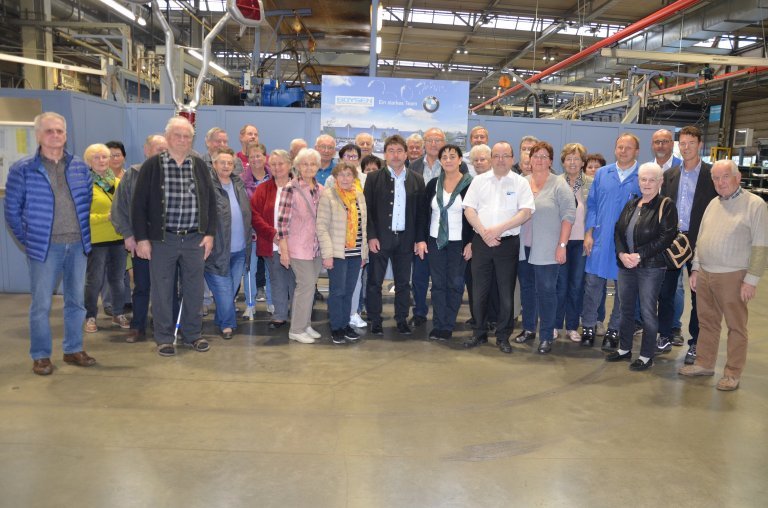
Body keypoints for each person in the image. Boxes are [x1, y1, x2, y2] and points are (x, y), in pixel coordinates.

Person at [4, 111, 96, 375]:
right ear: (38, 135)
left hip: (78, 246)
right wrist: (31, 240)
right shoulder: (23, 169)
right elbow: (12, 211)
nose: (55, 135)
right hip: (45, 249)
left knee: (76, 301)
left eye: (59, 131)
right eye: (49, 131)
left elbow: (85, 201)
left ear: (66, 135)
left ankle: (73, 349)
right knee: (42, 304)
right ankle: (41, 355)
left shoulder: (80, 166)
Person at [678, 160, 768, 390]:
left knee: (736, 326)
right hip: (706, 273)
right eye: (716, 178)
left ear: (737, 177)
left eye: (725, 177)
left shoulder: (754, 205)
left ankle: (732, 373)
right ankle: (704, 363)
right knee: (707, 322)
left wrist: (751, 280)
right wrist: (696, 267)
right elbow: (701, 238)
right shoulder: (713, 204)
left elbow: (760, 246)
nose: (720, 182)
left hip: (734, 275)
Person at [132, 116, 217, 357]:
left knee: (194, 289)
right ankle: (164, 338)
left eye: (187, 136)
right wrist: (141, 238)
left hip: (194, 239)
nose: (182, 140)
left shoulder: (199, 165)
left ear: (192, 139)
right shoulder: (152, 166)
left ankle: (193, 334)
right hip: (162, 239)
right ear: (168, 138)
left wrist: (209, 234)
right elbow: (138, 205)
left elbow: (210, 202)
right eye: (177, 136)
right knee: (162, 290)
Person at [463, 141, 535, 354]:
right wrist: (485, 233)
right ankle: (478, 333)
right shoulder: (478, 181)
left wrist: (498, 229)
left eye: (505, 155)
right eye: (497, 155)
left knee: (505, 292)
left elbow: (526, 212)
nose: (501, 159)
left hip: (507, 244)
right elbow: (469, 209)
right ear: (492, 158)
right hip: (481, 242)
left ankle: (503, 336)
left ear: (512, 159)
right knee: (479, 290)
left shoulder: (520, 183)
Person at [607, 163, 677, 370]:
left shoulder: (666, 204)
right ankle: (624, 349)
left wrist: (640, 255)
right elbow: (618, 231)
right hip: (626, 265)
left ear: (660, 182)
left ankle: (646, 355)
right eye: (643, 179)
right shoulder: (632, 204)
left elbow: (667, 237)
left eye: (652, 179)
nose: (646, 183)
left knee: (647, 311)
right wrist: (622, 254)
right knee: (625, 309)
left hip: (651, 267)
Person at [657, 126, 717, 364]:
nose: (686, 147)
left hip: (700, 242)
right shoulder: (670, 175)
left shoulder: (711, 176)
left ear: (699, 145)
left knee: (698, 295)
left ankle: (696, 343)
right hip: (673, 242)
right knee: (666, 292)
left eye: (691, 143)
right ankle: (664, 334)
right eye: (682, 143)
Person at [581, 134, 641, 349]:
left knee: (623, 290)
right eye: (619, 147)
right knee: (592, 286)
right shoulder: (602, 174)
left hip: (627, 244)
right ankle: (588, 326)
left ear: (637, 151)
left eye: (628, 147)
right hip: (601, 238)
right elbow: (593, 205)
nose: (623, 151)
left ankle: (614, 329)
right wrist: (588, 233)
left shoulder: (641, 176)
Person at [515, 141, 575, 354]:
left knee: (547, 292)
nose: (539, 160)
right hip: (524, 248)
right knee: (527, 290)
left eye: (544, 156)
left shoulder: (559, 184)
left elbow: (569, 216)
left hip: (548, 249)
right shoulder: (521, 182)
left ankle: (547, 335)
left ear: (550, 161)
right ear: (529, 160)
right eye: (535, 156)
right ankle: (529, 329)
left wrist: (562, 245)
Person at [364, 134, 427, 336]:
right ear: (385, 154)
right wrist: (371, 236)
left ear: (406, 154)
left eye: (400, 151)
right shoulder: (373, 178)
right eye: (391, 151)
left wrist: (419, 239)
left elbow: (421, 214)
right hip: (380, 239)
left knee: (403, 283)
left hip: (406, 240)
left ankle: (401, 319)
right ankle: (375, 319)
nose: (395, 155)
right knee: (374, 282)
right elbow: (368, 211)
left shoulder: (417, 180)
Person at [111, 134, 168, 343]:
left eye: (165, 149)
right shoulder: (133, 174)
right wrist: (128, 235)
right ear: (147, 150)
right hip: (141, 241)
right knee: (142, 286)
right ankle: (138, 326)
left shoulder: (175, 174)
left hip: (167, 243)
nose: (163, 153)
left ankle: (165, 324)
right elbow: (120, 207)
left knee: (168, 287)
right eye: (158, 149)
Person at [423, 144, 473, 341]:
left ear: (460, 160)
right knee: (437, 284)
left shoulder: (470, 185)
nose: (448, 160)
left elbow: (477, 216)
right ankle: (438, 324)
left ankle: (448, 324)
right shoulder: (433, 184)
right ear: (440, 161)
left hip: (459, 242)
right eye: (444, 157)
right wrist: (421, 240)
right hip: (435, 240)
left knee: (455, 283)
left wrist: (472, 243)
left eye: (453, 156)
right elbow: (423, 214)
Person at [317, 161, 368, 344]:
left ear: (354, 177)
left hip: (355, 254)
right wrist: (328, 254)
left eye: (349, 175)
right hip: (338, 254)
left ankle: (345, 323)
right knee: (337, 291)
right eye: (342, 174)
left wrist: (364, 253)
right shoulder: (328, 196)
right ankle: (336, 327)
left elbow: (364, 227)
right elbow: (321, 227)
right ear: (335, 177)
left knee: (349, 290)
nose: (345, 178)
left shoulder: (359, 196)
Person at [277, 148, 324, 344]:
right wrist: (284, 250)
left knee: (309, 287)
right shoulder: (291, 188)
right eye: (304, 164)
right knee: (304, 286)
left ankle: (304, 325)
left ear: (318, 166)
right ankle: (296, 329)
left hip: (315, 248)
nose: (309, 167)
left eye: (312, 164)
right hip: (298, 246)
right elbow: (281, 223)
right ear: (297, 166)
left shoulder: (321, 189)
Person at [82, 143, 129, 334]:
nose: (102, 161)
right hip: (97, 240)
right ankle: (90, 316)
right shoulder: (85, 185)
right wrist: (105, 217)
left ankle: (118, 313)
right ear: (89, 161)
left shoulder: (118, 183)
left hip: (118, 239)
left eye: (105, 157)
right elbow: (82, 216)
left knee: (118, 280)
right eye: (97, 157)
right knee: (94, 281)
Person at [204, 147, 251, 339]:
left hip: (240, 249)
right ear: (214, 165)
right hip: (217, 250)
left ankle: (221, 319)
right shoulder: (207, 186)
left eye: (230, 163)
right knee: (224, 291)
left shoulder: (238, 184)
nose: (226, 166)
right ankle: (227, 325)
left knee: (230, 291)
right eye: (221, 162)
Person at [251, 149, 295, 330]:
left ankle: (299, 314)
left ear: (289, 165)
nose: (276, 168)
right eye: (273, 164)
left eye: (280, 164)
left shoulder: (298, 186)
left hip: (297, 244)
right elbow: (255, 216)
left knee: (296, 281)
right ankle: (279, 315)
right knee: (276, 279)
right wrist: (273, 234)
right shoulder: (263, 189)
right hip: (272, 243)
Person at [555, 143, 593, 342]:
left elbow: (594, 212)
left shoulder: (591, 183)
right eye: (568, 158)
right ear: (562, 162)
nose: (572, 162)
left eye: (576, 158)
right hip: (560, 240)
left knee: (576, 286)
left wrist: (590, 233)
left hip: (580, 242)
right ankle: (554, 325)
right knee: (559, 285)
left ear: (582, 162)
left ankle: (571, 326)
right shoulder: (555, 182)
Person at [465, 144, 499, 328]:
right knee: (474, 282)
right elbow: (469, 215)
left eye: (482, 159)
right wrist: (470, 241)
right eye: (475, 160)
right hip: (474, 240)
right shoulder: (471, 183)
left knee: (493, 282)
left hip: (494, 238)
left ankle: (492, 318)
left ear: (491, 160)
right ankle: (477, 316)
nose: (479, 163)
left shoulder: (498, 182)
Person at [242, 141, 272, 313]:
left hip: (269, 232)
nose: (255, 159)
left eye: (258, 155)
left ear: (264, 157)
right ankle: (250, 304)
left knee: (271, 270)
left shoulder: (274, 178)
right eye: (251, 156)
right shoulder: (241, 180)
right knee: (250, 269)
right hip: (251, 233)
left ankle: (272, 302)